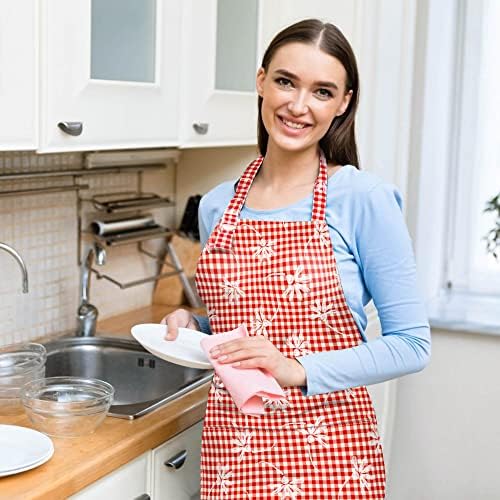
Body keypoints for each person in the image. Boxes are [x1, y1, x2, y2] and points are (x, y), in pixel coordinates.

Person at [161, 18, 430, 499]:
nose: (298, 106)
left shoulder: (362, 198)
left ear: (343, 103)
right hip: (235, 447)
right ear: (261, 80)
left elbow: (412, 345)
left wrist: (297, 369)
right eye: (286, 81)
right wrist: (198, 327)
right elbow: (249, 320)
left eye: (322, 91)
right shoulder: (218, 205)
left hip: (330, 452)